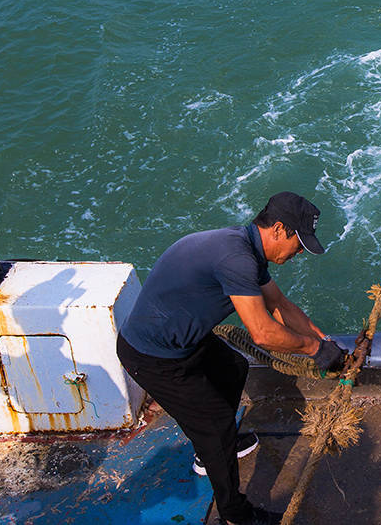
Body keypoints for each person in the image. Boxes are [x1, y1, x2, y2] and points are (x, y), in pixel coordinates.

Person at [117, 192, 347, 525]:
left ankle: (209, 449)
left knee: (233, 367)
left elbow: (280, 307)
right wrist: (314, 351)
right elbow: (263, 333)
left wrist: (327, 343)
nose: (299, 252)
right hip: (152, 354)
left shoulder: (247, 249)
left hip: (184, 339)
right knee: (216, 426)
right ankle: (234, 513)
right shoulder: (237, 259)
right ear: (279, 229)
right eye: (299, 242)